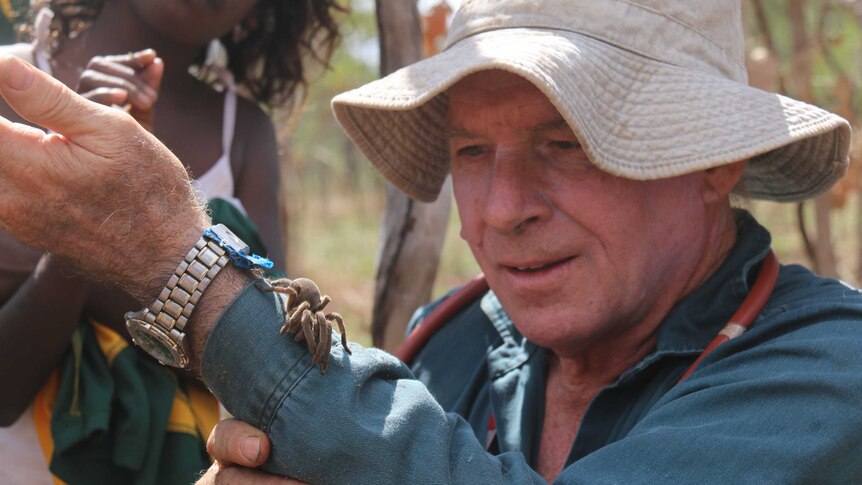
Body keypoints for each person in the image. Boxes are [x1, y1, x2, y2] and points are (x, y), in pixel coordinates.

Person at [0, 0, 859, 483]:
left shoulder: (826, 368)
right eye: (471, 152)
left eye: (565, 144)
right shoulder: (451, 344)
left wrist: (180, 264)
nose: (503, 208)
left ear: (715, 162)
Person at [0, 1, 341, 484]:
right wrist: (101, 222)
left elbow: (269, 368)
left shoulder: (242, 132)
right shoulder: (9, 81)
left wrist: (107, 222)